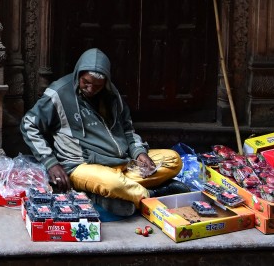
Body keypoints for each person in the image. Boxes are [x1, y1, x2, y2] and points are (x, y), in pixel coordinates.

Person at [20, 47, 183, 216]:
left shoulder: (111, 94)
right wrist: (51, 163)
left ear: (106, 81)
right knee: (113, 184)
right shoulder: (59, 93)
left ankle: (103, 194)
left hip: (122, 163)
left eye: (97, 86)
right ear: (78, 74)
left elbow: (127, 128)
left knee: (173, 160)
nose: (90, 89)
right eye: (86, 82)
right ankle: (155, 195)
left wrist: (139, 152)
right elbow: (28, 124)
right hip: (82, 165)